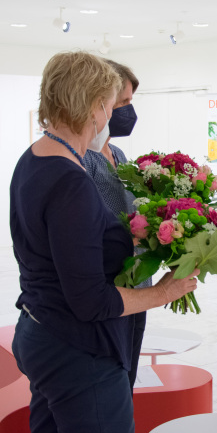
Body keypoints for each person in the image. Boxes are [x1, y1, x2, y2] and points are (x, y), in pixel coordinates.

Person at [10, 51, 198, 433]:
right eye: (112, 106)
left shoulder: (34, 159)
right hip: (77, 349)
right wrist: (164, 292)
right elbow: (90, 300)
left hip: (41, 330)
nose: (112, 116)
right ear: (94, 106)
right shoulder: (72, 180)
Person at [83, 60, 149, 389]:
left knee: (128, 379)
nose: (127, 111)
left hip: (136, 284)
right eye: (121, 103)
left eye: (130, 103)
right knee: (111, 381)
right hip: (110, 286)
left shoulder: (119, 154)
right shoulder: (84, 159)